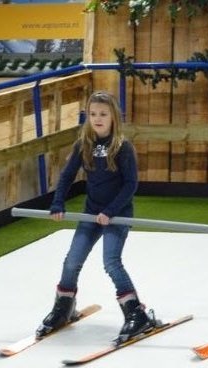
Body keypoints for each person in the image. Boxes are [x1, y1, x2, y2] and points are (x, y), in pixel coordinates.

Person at [36, 91, 155, 343]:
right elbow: (67, 176)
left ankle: (136, 313)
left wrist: (110, 212)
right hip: (92, 214)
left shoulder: (123, 147)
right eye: (92, 114)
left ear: (113, 117)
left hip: (117, 215)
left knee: (111, 262)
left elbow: (130, 185)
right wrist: (57, 202)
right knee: (72, 260)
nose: (97, 119)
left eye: (103, 114)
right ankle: (64, 307)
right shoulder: (84, 144)